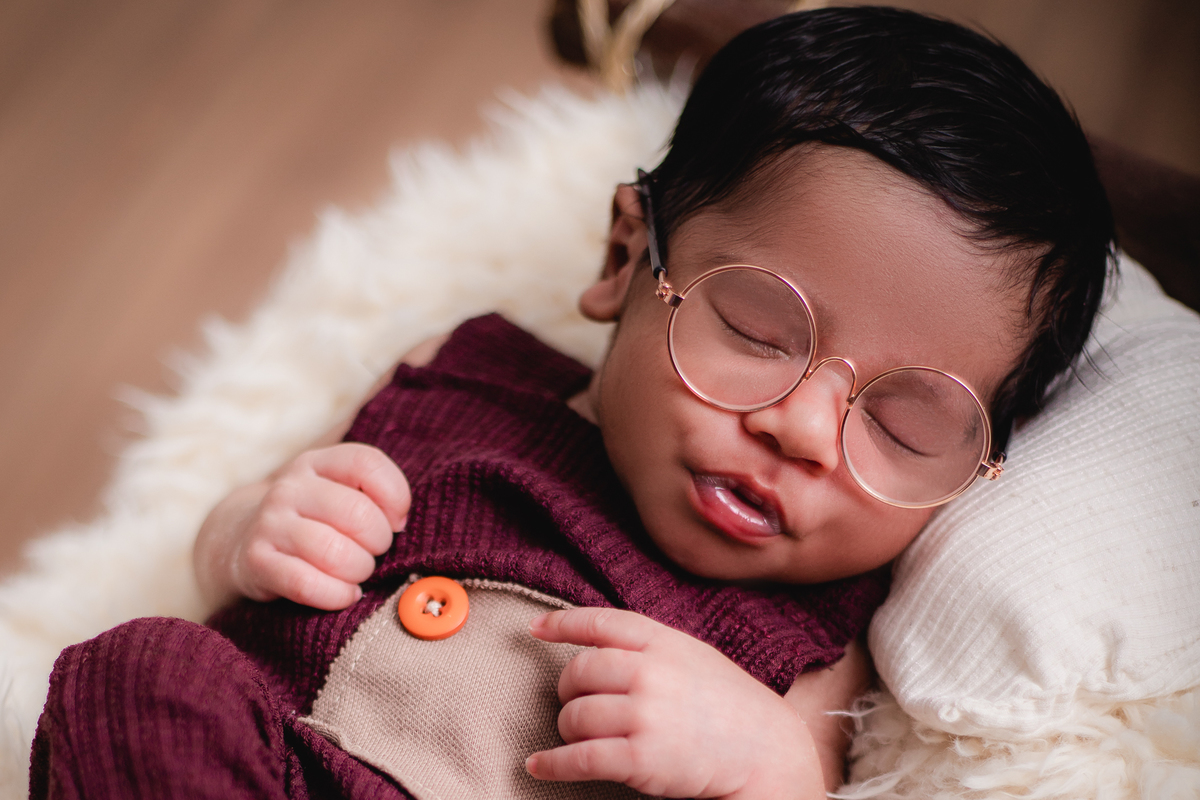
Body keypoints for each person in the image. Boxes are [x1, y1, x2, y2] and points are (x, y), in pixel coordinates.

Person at [30, 7, 1114, 799]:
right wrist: (253, 532)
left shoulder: (824, 639)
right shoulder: (463, 377)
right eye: (756, 331)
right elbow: (242, 535)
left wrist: (760, 760)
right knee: (140, 666)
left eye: (901, 425)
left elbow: (808, 775)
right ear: (624, 257)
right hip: (257, 763)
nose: (798, 428)